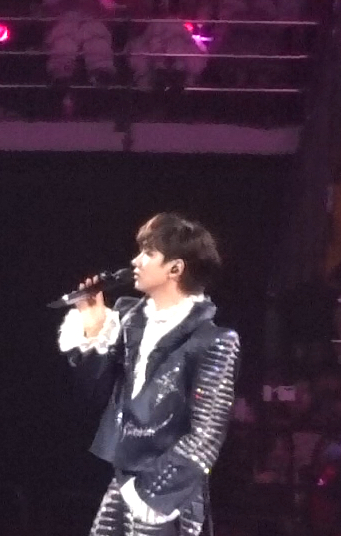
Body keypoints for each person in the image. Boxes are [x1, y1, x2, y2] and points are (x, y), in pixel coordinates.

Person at [58, 213, 240, 536]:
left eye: (148, 253)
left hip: (167, 494)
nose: (136, 260)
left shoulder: (212, 341)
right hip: (124, 480)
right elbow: (94, 395)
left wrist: (152, 494)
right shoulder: (129, 321)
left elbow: (206, 436)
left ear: (175, 268)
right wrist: (94, 328)